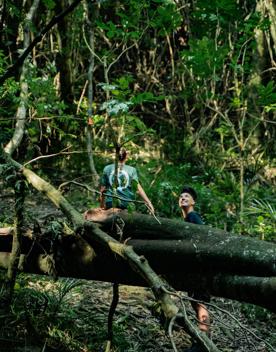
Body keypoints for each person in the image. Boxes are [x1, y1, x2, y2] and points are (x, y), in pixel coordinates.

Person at [179, 186, 210, 352]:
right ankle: (201, 341)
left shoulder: (193, 216)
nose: (183, 198)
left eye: (187, 196)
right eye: (181, 196)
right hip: (193, 269)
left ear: (193, 202)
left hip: (199, 268)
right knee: (196, 303)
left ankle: (203, 343)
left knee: (200, 303)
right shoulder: (187, 219)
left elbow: (202, 238)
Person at [99, 149, 154, 214]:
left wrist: (102, 206)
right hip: (127, 203)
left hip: (111, 203)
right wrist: (148, 202)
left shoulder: (107, 168)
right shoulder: (132, 170)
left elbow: (103, 190)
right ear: (126, 157)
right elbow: (138, 188)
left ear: (115, 157)